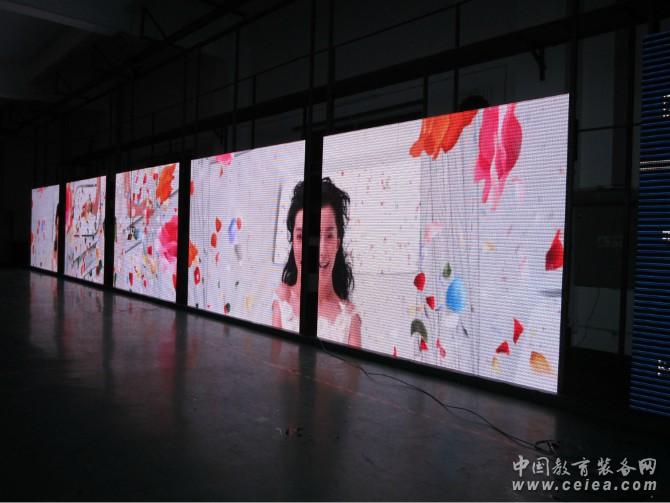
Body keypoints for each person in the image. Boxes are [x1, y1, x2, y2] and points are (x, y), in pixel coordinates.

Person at [273, 178, 361, 347]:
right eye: (302, 237)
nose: (318, 252)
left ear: (338, 243)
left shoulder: (350, 319)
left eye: (328, 236)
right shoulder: (282, 299)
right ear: (293, 242)